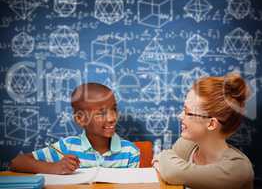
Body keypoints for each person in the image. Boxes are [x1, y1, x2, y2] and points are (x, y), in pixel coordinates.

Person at [10, 83, 140, 174]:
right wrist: (54, 167)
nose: (112, 118)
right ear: (80, 119)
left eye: (114, 109)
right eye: (101, 113)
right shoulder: (67, 147)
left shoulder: (130, 152)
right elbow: (17, 162)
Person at [153, 73, 254, 189]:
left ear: (211, 124)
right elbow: (166, 168)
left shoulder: (238, 168)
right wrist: (164, 162)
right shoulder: (187, 144)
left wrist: (163, 156)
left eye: (187, 112)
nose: (180, 116)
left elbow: (172, 172)